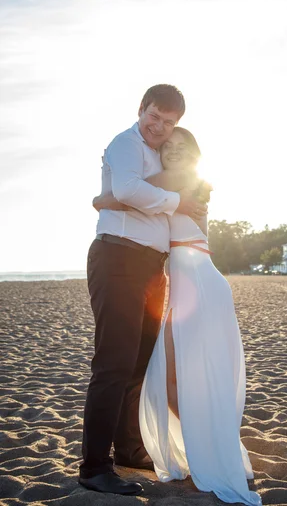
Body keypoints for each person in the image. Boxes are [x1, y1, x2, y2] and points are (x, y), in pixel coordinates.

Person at [94, 127, 261, 506]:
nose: (171, 151)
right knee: (180, 374)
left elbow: (123, 194)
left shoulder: (179, 179)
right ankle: (212, 448)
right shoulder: (190, 184)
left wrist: (99, 197)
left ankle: (211, 449)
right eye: (167, 146)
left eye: (180, 147)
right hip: (191, 283)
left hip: (197, 285)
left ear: (193, 154)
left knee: (175, 376)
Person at [79, 85, 207, 496]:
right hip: (117, 259)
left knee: (138, 364)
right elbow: (128, 191)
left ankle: (128, 451)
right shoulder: (125, 143)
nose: (159, 126)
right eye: (155, 117)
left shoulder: (163, 156)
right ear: (141, 110)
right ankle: (94, 466)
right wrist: (176, 201)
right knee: (113, 364)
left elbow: (121, 198)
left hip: (152, 269)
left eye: (169, 122)